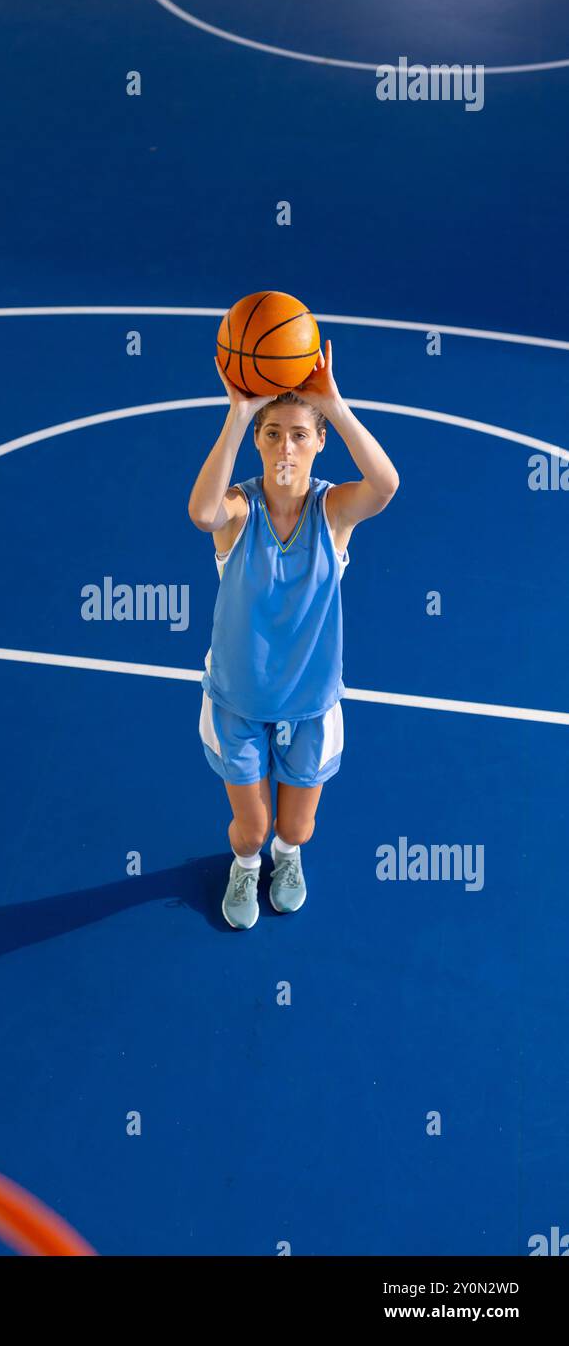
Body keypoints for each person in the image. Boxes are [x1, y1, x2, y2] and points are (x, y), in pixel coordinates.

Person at [188, 341, 399, 929]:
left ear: (320, 441)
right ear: (258, 440)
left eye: (301, 434)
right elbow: (201, 512)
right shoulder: (238, 511)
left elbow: (385, 485)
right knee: (252, 827)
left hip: (310, 703)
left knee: (296, 827)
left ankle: (287, 858)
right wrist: (235, 416)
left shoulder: (334, 512)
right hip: (239, 700)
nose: (286, 445)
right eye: (272, 432)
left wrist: (332, 402)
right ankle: (247, 863)